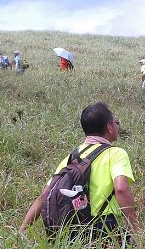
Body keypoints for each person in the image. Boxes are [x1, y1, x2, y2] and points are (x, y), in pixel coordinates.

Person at [21, 102, 138, 240]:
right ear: (109, 127)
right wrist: (135, 231)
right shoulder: (116, 153)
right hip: (104, 229)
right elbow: (121, 188)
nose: (117, 125)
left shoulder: (71, 157)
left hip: (72, 234)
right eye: (116, 122)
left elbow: (44, 195)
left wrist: (22, 230)